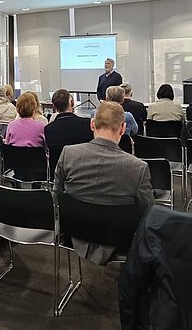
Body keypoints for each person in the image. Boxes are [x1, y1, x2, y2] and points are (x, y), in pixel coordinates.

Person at [54, 101, 154, 264]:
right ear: (123, 128)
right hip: (121, 241)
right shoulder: (138, 168)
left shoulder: (68, 154)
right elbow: (148, 212)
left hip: (76, 235)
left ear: (92, 124)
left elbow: (56, 196)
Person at [44, 89, 93, 178]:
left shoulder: (49, 129)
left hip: (59, 174)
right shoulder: (86, 124)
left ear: (54, 106)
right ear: (72, 103)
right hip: (84, 172)